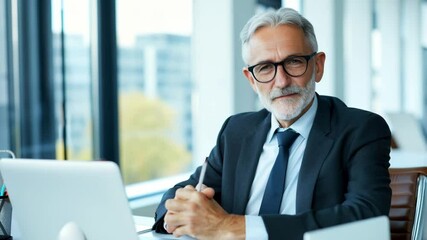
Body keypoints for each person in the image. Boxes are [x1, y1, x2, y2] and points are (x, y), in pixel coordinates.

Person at [152, 7, 391, 240]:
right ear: (251, 80)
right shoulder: (236, 131)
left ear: (317, 66)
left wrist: (233, 228)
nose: (282, 81)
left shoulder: (362, 129)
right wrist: (177, 215)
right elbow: (180, 194)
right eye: (265, 68)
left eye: (294, 62)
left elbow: (366, 215)